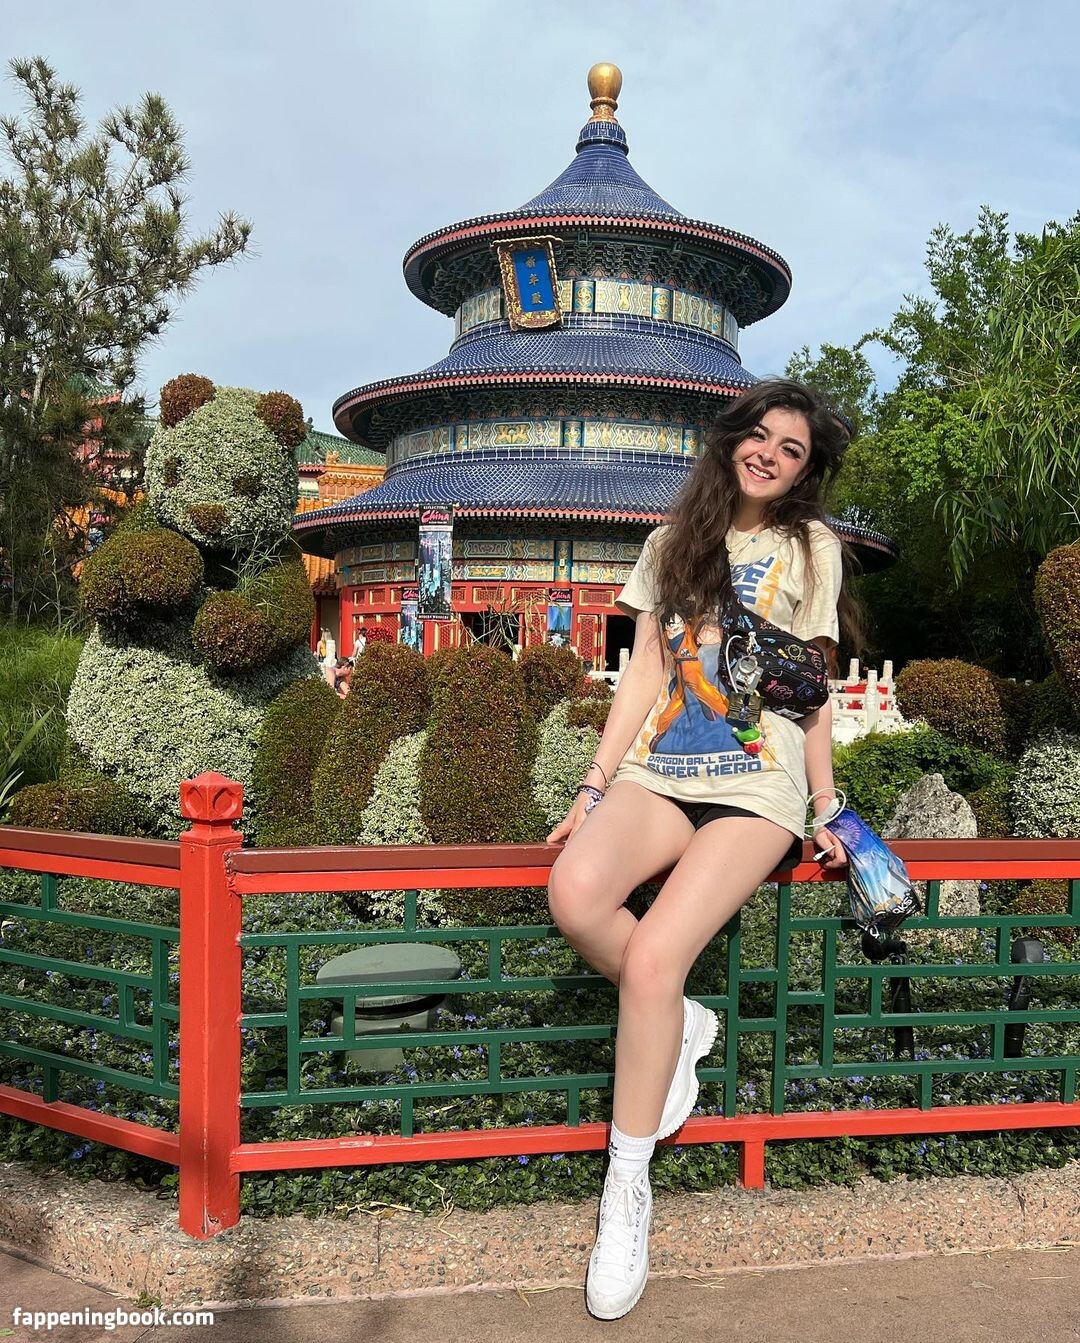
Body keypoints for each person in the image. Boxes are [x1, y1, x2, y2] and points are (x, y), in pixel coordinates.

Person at [546, 378, 865, 1321]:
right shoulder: (671, 542)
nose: (770, 454)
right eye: (759, 436)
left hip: (757, 780)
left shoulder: (810, 547)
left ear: (805, 471)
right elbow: (645, 669)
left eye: (792, 449)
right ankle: (679, 1020)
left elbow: (810, 685)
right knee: (575, 891)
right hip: (663, 766)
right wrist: (594, 782)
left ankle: (626, 1191)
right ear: (731, 439)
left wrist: (828, 804)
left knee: (652, 954)